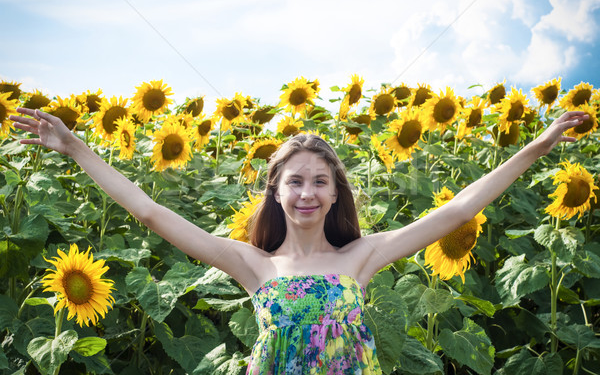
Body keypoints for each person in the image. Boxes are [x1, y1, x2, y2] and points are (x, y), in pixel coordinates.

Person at [11, 107, 587, 374]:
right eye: (295, 182)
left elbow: (460, 207)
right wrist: (78, 150)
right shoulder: (251, 264)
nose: (307, 193)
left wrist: (538, 145)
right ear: (276, 193)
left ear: (336, 195)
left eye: (320, 181)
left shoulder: (363, 256)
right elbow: (151, 211)